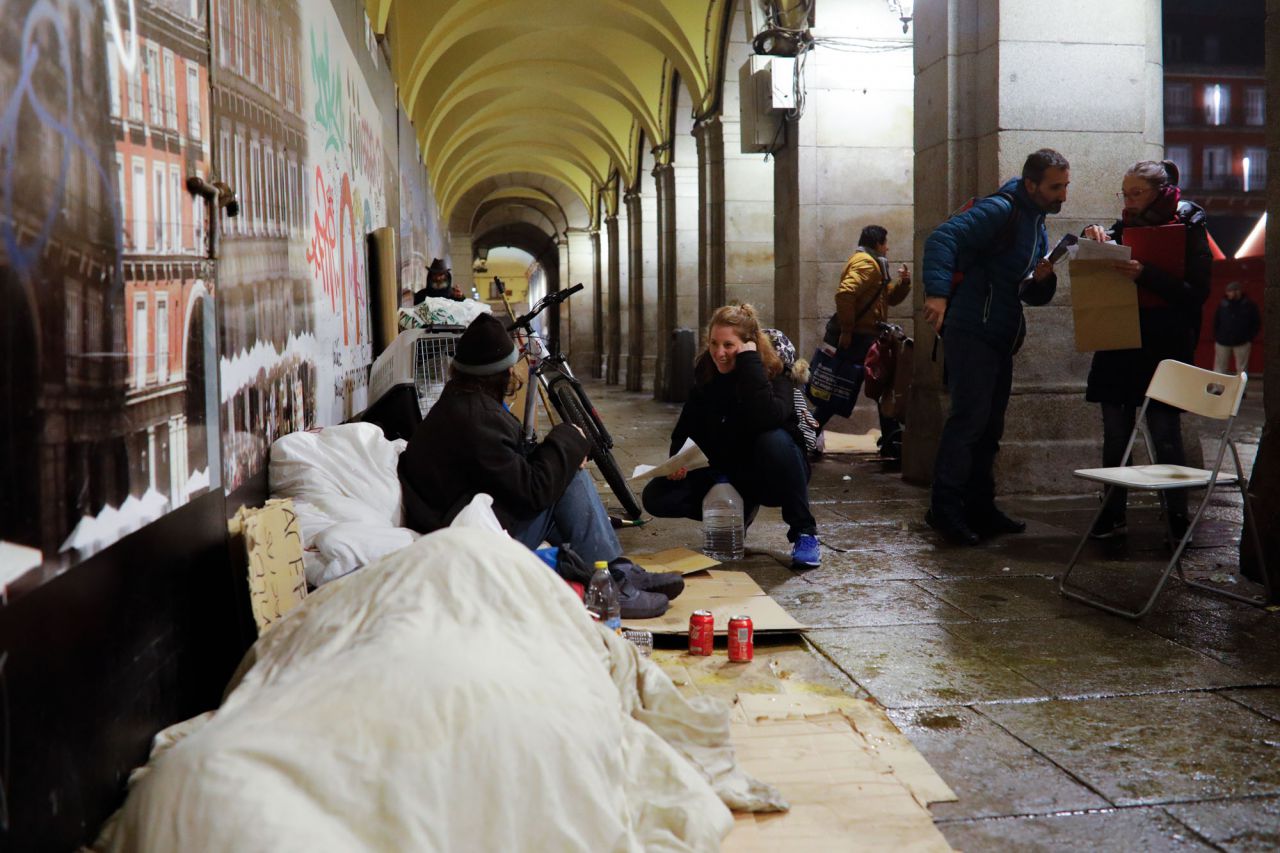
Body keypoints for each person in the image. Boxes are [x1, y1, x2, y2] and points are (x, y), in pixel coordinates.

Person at [398, 313, 679, 615]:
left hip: (463, 515)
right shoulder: (475, 418)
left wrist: (563, 452)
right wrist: (568, 438)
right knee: (569, 481)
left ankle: (616, 570)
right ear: (501, 373)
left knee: (565, 476)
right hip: (466, 535)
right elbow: (533, 490)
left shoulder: (461, 403)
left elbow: (511, 469)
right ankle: (609, 586)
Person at [921, 148, 1068, 545]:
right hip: (972, 330)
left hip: (999, 334)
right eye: (1055, 187)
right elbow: (942, 237)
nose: (1063, 195)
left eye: (1065, 186)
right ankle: (945, 510)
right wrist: (937, 294)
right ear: (1031, 184)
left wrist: (1042, 280)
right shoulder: (1002, 209)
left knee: (989, 427)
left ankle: (980, 507)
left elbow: (1024, 291)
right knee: (968, 422)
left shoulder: (1035, 223)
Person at [1080, 159, 1211, 542]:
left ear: (1160, 192)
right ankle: (1112, 512)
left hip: (1165, 342)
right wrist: (1092, 236)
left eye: (1136, 193)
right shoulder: (1124, 225)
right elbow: (1100, 249)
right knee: (1115, 433)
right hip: (1120, 339)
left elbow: (1196, 293)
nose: (1128, 201)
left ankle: (1176, 515)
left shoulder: (1189, 225)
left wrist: (1146, 274)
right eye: (1124, 194)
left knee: (1164, 431)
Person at [641, 304, 821, 568]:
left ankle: (804, 532)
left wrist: (749, 364)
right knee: (656, 496)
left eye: (729, 345)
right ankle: (739, 511)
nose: (719, 353)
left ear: (749, 345)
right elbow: (684, 432)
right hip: (727, 474)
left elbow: (767, 418)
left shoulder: (775, 374)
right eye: (714, 343)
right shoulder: (706, 377)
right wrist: (678, 462)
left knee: (773, 440)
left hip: (772, 474)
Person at [818, 224, 911, 457]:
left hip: (866, 335)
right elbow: (845, 293)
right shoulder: (866, 263)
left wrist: (903, 283)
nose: (888, 248)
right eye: (886, 243)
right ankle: (891, 438)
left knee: (867, 385)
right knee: (851, 386)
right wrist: (847, 330)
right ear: (878, 243)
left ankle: (891, 438)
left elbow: (887, 299)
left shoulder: (873, 263)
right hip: (861, 337)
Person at [1213, 281, 1259, 376]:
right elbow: (1216, 321)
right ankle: (1219, 385)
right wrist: (1217, 336)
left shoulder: (1248, 305)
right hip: (1223, 340)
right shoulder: (1222, 305)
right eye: (1229, 291)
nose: (1232, 293)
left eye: (1235, 290)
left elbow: (1255, 322)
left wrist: (1249, 337)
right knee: (1220, 368)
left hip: (1242, 341)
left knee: (1242, 369)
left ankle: (1241, 386)